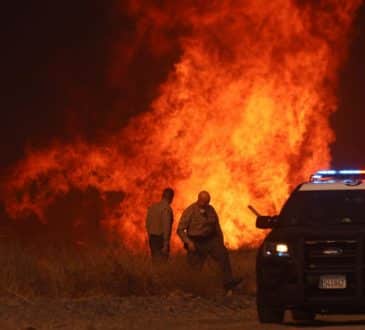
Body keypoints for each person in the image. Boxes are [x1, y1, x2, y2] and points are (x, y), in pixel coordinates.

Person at [177, 191, 241, 291]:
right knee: (194, 268)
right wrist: (188, 242)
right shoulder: (190, 210)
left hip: (210, 240)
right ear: (198, 199)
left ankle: (228, 282)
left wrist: (220, 242)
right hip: (196, 241)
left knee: (223, 255)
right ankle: (193, 289)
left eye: (207, 202)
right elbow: (180, 229)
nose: (205, 204)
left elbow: (216, 226)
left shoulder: (211, 209)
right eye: (203, 201)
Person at [146, 188, 174, 263]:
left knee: (155, 261)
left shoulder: (152, 207)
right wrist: (166, 243)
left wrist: (150, 236)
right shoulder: (166, 209)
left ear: (162, 196)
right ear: (171, 198)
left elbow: (147, 224)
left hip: (152, 238)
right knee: (162, 263)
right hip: (161, 240)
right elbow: (166, 227)